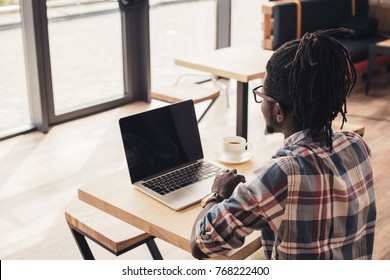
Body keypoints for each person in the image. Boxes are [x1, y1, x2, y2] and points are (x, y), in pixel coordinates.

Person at [190, 29, 376, 260]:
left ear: (278, 111)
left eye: (263, 96)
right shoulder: (356, 145)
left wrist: (217, 194)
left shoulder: (281, 174)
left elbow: (201, 245)